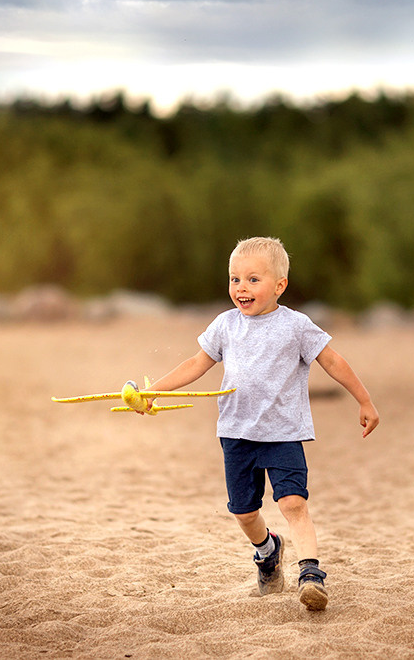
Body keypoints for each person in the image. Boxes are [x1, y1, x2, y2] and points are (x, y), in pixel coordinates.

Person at [140, 236, 380, 611]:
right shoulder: (225, 326)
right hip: (236, 434)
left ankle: (311, 575)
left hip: (283, 434)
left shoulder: (297, 326)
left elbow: (332, 360)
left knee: (293, 503)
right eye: (235, 279)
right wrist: (154, 390)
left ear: (279, 285)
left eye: (253, 280)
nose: (241, 288)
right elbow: (195, 364)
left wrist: (364, 399)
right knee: (244, 512)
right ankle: (268, 551)